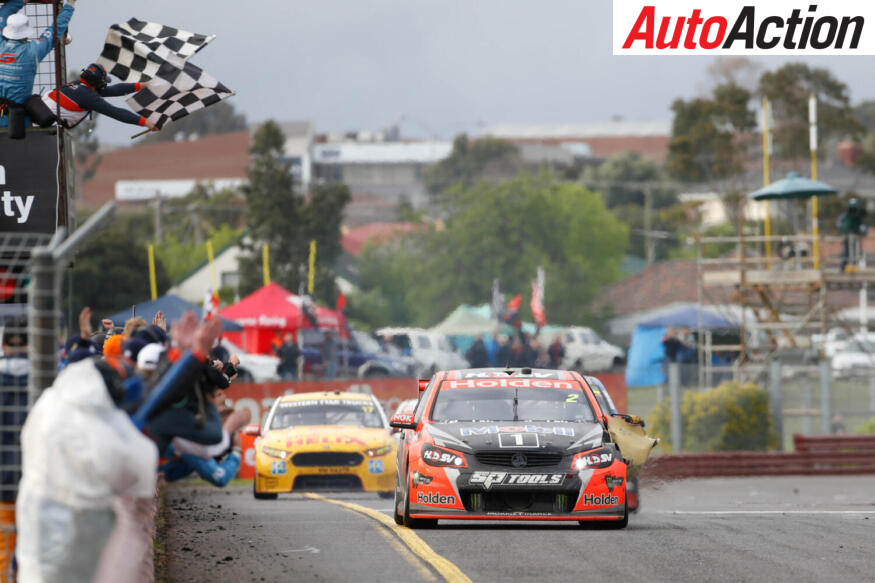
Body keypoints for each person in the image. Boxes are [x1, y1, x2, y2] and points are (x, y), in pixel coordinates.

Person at [0, 0, 75, 125]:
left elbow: (3, 13)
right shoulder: (33, 51)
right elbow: (56, 29)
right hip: (18, 121)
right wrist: (70, 5)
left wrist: (21, 1)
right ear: (26, 33)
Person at [38, 62, 158, 130]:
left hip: (39, 119)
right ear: (96, 82)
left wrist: (143, 85)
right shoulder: (87, 97)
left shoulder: (78, 85)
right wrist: (146, 123)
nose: (104, 84)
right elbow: (115, 112)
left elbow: (115, 90)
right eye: (103, 81)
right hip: (42, 130)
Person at [838, 198, 868, 272]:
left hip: (857, 236)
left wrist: (863, 229)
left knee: (858, 251)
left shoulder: (859, 216)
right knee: (846, 252)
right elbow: (839, 223)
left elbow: (863, 225)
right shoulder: (845, 215)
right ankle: (843, 267)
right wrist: (844, 227)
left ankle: (857, 266)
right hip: (847, 236)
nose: (853, 210)